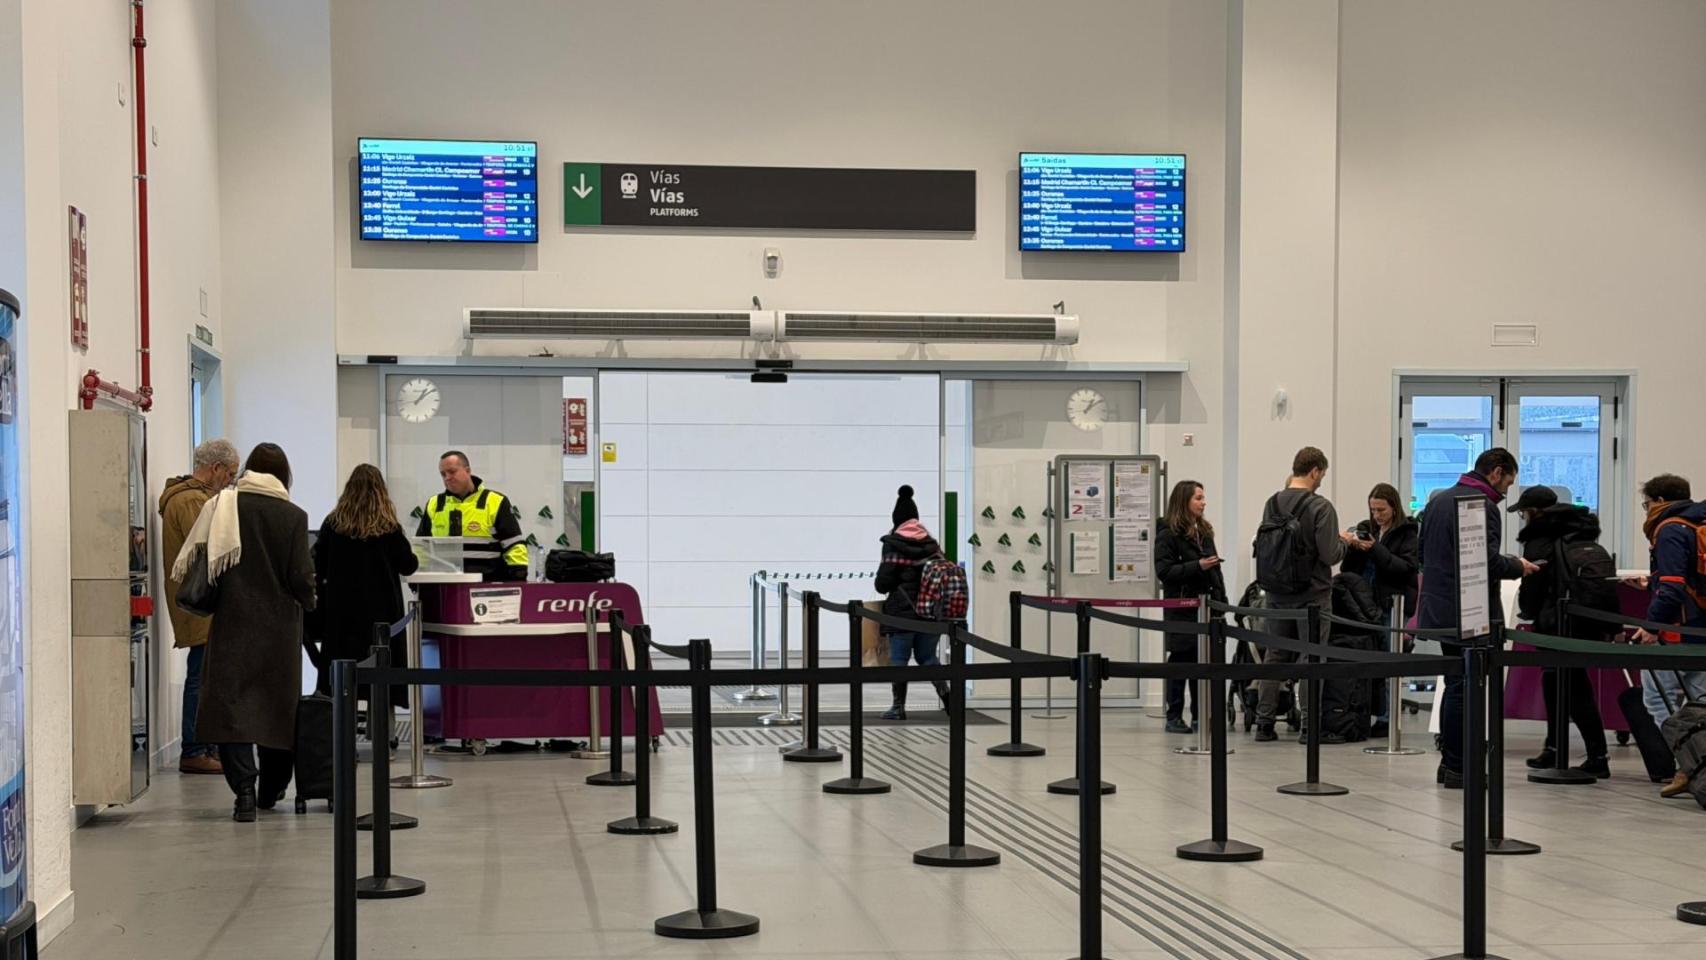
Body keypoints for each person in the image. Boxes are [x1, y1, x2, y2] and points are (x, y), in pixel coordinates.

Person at [174, 443, 316, 821]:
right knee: (276, 710)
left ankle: (245, 793)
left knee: (232, 710)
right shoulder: (293, 516)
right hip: (279, 631)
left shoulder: (223, 506)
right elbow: (300, 576)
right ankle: (271, 790)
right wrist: (310, 601)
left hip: (233, 625)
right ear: (284, 475)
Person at [1416, 448, 1538, 789]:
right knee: (1466, 690)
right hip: (1469, 612)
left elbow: (1422, 553)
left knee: (1454, 684)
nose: (1506, 492)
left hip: (1439, 609)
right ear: (1496, 472)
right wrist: (1517, 566)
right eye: (1508, 483)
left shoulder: (1438, 501)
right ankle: (1461, 767)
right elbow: (1486, 562)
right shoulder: (1481, 505)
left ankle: (1449, 764)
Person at [1510, 485, 1610, 778]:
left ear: (1533, 512)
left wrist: (1528, 612)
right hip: (1584, 621)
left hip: (1556, 622)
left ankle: (1592, 754)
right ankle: (1558, 748)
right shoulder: (1579, 532)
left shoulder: (1540, 538)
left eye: (1524, 512)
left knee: (1567, 687)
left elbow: (1533, 581)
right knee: (1569, 685)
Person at [158, 438, 240, 776]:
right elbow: (210, 548)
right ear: (216, 468)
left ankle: (206, 746)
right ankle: (194, 749)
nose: (231, 481)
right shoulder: (193, 500)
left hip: (197, 601)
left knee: (205, 675)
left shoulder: (188, 497)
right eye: (230, 474)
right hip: (200, 602)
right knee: (200, 676)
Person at [1251, 447, 1344, 743]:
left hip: (1277, 593)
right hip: (1313, 595)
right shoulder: (1321, 507)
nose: (1322, 480)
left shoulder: (1272, 503)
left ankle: (1264, 723)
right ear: (1315, 471)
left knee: (1275, 656)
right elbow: (1329, 554)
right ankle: (1309, 725)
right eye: (1322, 474)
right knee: (1311, 657)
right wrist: (1345, 542)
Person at [313, 464, 419, 707]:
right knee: (381, 676)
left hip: (342, 615)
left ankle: (343, 726)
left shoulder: (333, 524)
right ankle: (383, 724)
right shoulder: (389, 527)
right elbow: (408, 566)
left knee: (343, 679)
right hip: (382, 616)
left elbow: (318, 563)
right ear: (381, 491)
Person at [1631, 473, 1706, 798]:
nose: (1646, 509)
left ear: (1660, 501)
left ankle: (1688, 766)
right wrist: (1652, 582)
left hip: (1676, 632)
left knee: (1658, 700)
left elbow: (1674, 586)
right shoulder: (1697, 523)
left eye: (1646, 503)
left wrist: (1651, 627)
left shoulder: (1669, 529)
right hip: (1701, 629)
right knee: (1700, 701)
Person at [1338, 482, 1419, 736]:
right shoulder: (1367, 529)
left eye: (1381, 510)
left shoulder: (1408, 533)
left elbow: (1404, 568)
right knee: (1372, 660)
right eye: (1373, 510)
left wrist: (1375, 549)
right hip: (1366, 605)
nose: (1377, 515)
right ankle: (1372, 711)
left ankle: (1387, 718)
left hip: (1392, 604)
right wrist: (1353, 549)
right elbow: (1347, 570)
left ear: (1394, 507)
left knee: (1388, 660)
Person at [1154, 480, 1226, 734]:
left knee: (1203, 660)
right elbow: (1164, 572)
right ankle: (1174, 715)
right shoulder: (1168, 533)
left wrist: (1221, 601)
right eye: (1198, 498)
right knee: (1181, 660)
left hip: (1207, 606)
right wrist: (1198, 566)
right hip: (1182, 608)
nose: (1203, 503)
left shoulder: (1204, 531)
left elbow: (1215, 568)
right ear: (1184, 500)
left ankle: (1200, 714)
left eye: (1203, 498)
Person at [874, 485, 951, 721]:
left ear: (896, 520)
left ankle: (898, 707)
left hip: (902, 613)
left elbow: (883, 583)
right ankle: (949, 699)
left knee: (899, 659)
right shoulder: (932, 545)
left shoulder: (893, 543)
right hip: (930, 611)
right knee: (928, 657)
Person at [417, 450, 527, 582]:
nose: (447, 478)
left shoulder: (495, 501)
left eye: (452, 472)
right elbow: (421, 546)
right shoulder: (435, 504)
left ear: (468, 471)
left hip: (487, 586)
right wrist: (418, 580)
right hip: (443, 587)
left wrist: (518, 577)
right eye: (443, 474)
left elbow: (514, 545)